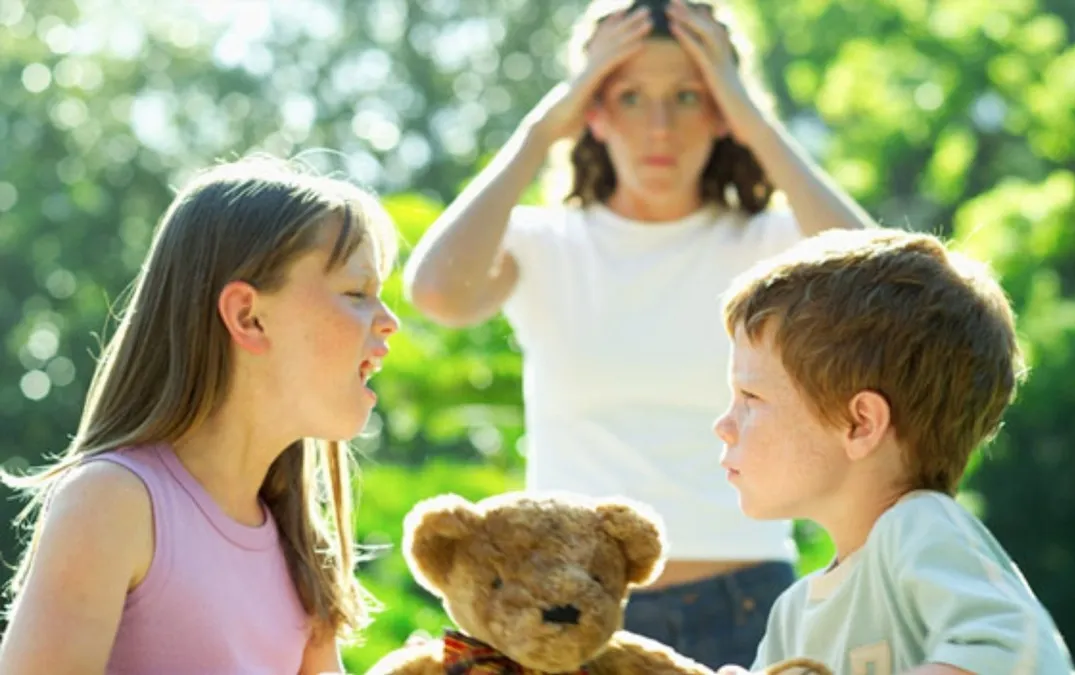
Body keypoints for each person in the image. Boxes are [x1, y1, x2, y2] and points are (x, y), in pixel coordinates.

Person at [401, 0, 875, 666]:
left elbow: (884, 289)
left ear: (721, 109)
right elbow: (434, 291)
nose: (660, 126)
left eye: (688, 96)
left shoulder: (772, 243)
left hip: (746, 601)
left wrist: (754, 119)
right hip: (571, 616)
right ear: (592, 111)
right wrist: (542, 129)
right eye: (629, 96)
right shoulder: (545, 244)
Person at [0, 156, 401, 674]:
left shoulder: (301, 548)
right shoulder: (113, 502)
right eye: (357, 293)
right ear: (248, 317)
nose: (389, 321)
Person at [712, 228, 1075, 674]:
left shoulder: (917, 526)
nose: (723, 426)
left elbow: (1014, 652)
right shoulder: (791, 614)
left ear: (861, 423)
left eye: (750, 397)